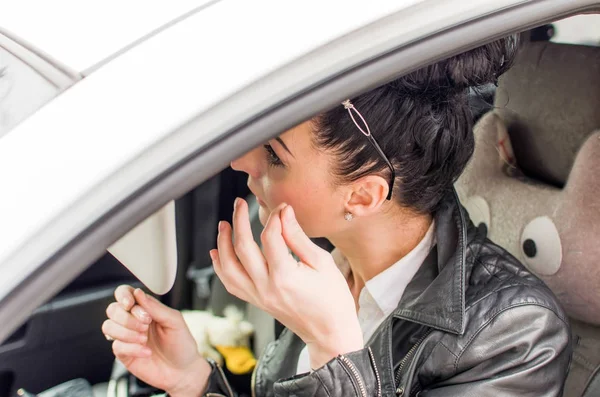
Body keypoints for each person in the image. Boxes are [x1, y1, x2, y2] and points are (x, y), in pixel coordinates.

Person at [102, 36, 572, 397]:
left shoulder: (516, 333)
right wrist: (198, 381)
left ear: (364, 195)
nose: (241, 162)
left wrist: (335, 350)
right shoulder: (324, 266)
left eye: (274, 153)